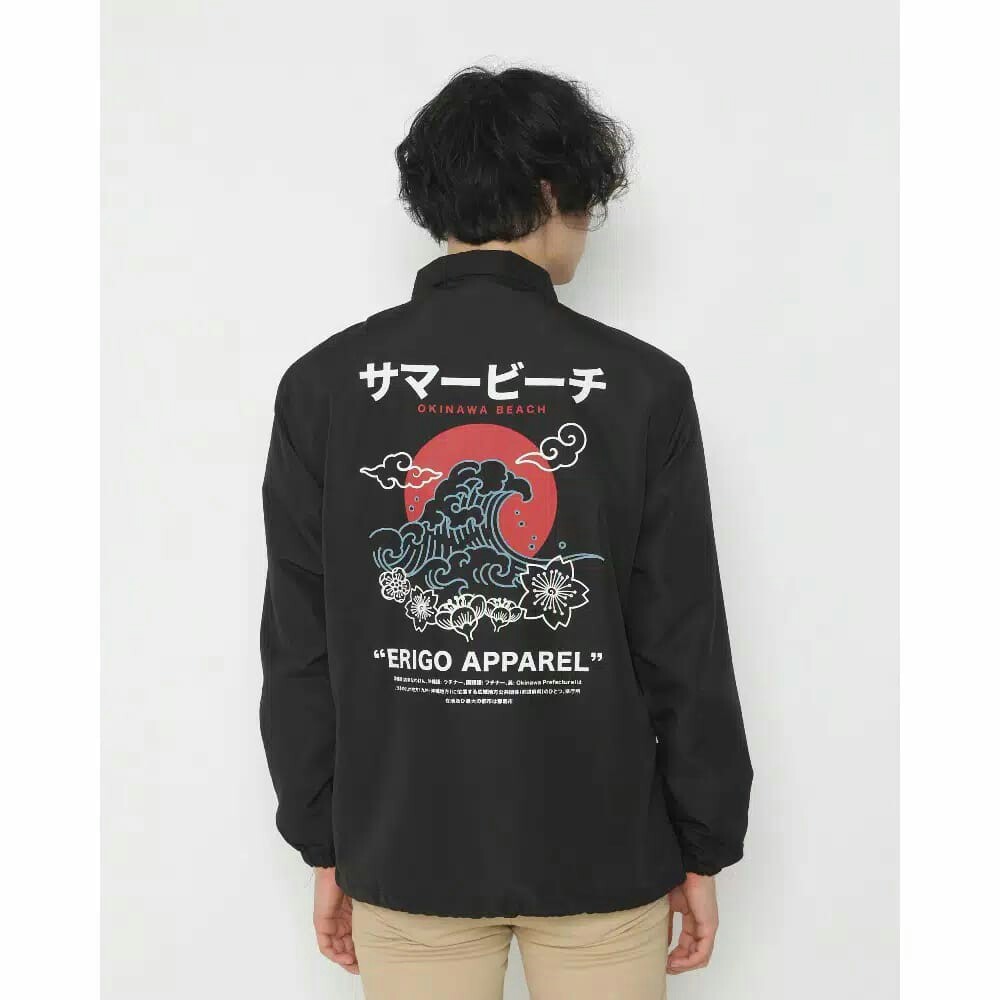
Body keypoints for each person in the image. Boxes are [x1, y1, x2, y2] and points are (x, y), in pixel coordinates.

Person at [260, 66, 752, 1000]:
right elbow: (682, 637)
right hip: (604, 850)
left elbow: (301, 642)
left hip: (405, 849)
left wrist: (326, 838)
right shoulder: (642, 386)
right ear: (554, 192)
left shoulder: (325, 384)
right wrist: (704, 841)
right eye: (587, 206)